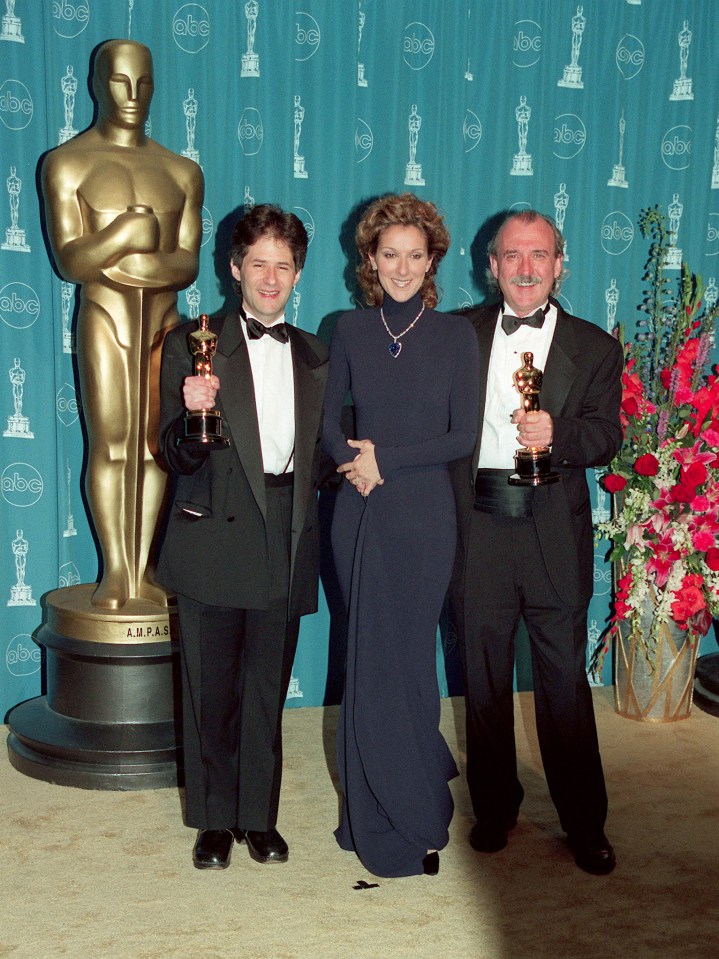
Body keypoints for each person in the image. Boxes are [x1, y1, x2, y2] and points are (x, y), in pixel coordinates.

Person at [449, 210, 623, 874]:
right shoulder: (455, 335)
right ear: (489, 265)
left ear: (560, 265)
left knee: (562, 688)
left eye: (539, 255)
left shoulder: (595, 347)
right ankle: (494, 809)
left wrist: (559, 434)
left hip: (552, 530)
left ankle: (584, 822)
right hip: (478, 526)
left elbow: (606, 435)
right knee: (484, 681)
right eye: (512, 255)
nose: (525, 267)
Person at [156, 204, 328, 870]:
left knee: (265, 688)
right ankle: (212, 820)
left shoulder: (316, 351)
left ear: (297, 274)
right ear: (234, 268)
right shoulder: (191, 341)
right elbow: (175, 454)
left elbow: (330, 453)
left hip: (284, 534)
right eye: (258, 262)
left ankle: (258, 816)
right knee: (211, 689)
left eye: (282, 265)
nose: (269, 276)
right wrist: (193, 414)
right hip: (213, 533)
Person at [322, 193, 480, 878]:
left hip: (421, 512)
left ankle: (416, 806)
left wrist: (385, 458)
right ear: (369, 259)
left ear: (431, 260)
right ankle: (371, 813)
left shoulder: (454, 337)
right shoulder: (348, 329)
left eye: (415, 255)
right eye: (390, 254)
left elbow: (463, 433)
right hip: (358, 506)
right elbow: (326, 419)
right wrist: (353, 462)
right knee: (367, 658)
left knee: (409, 656)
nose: (402, 267)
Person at [41, 39, 204, 610]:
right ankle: (117, 571)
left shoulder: (181, 171)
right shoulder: (67, 163)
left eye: (143, 83)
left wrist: (130, 258)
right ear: (96, 83)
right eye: (119, 82)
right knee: (112, 445)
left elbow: (186, 263)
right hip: (105, 318)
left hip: (165, 323)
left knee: (157, 447)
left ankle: (146, 569)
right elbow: (71, 260)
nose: (132, 96)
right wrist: (124, 236)